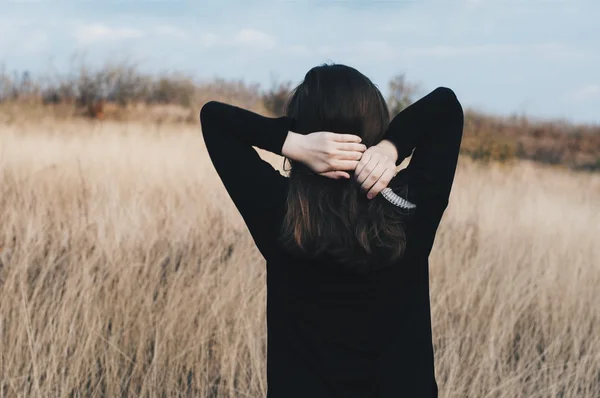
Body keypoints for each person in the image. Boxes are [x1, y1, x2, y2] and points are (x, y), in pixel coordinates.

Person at [200, 63, 464, 398]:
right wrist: (390, 148)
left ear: (306, 131)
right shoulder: (409, 206)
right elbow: (445, 107)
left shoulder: (280, 209)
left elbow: (215, 119)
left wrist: (292, 143)